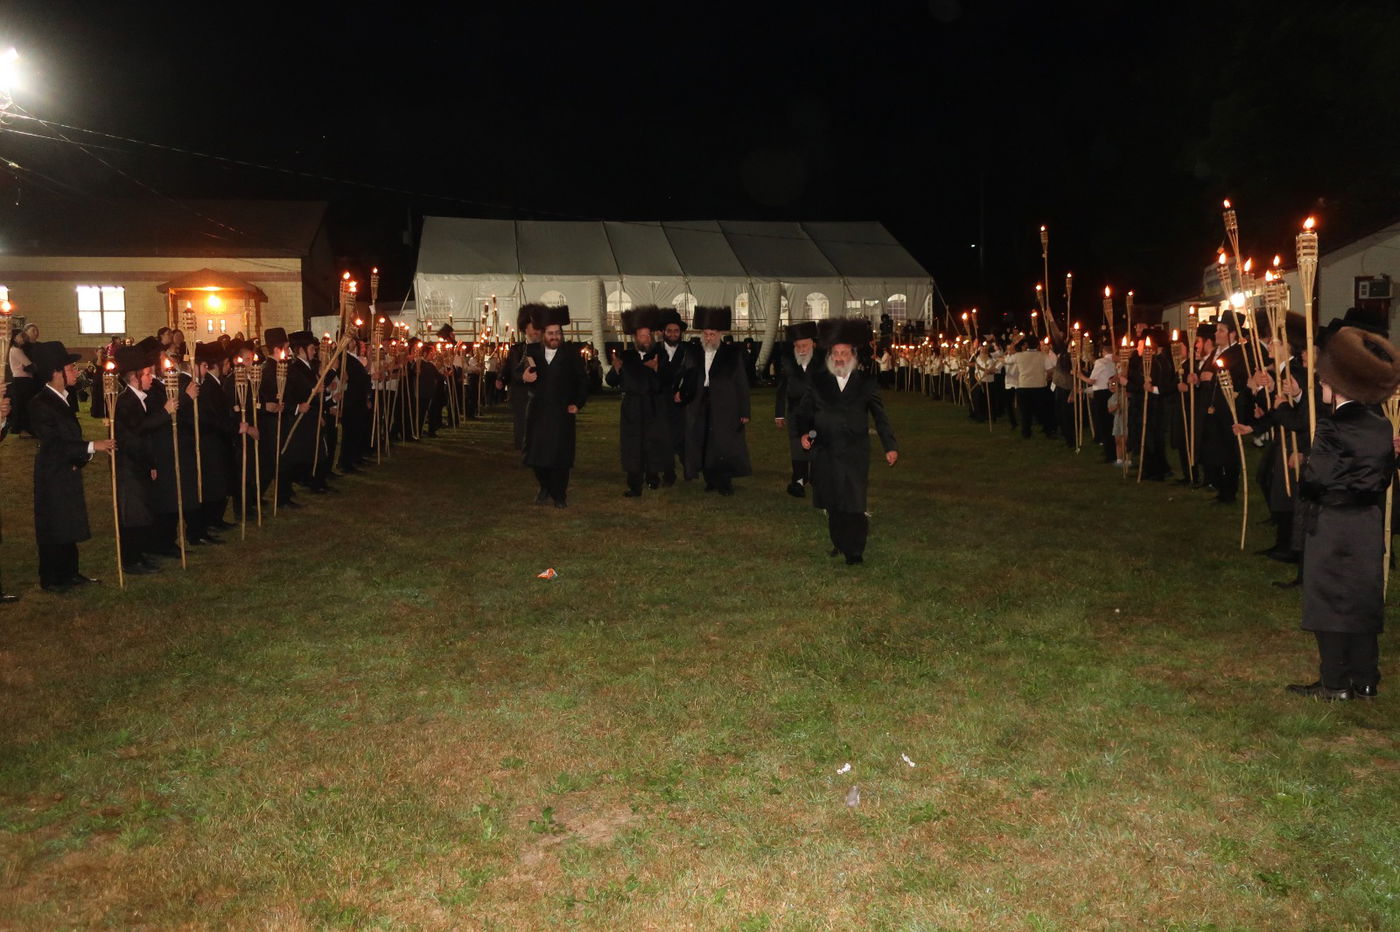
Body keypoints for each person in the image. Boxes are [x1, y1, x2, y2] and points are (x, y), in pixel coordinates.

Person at [1286, 326, 1400, 701]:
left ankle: (1335, 682)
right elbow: (1383, 475)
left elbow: (1315, 479)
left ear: (1337, 386)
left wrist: (1308, 477)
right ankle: (1365, 678)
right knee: (1362, 596)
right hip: (1367, 522)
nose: (1320, 384)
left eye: (1323, 380)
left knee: (1330, 601)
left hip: (1333, 525)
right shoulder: (1382, 425)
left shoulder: (1332, 425)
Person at [793, 318, 898, 565]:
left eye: (844, 353)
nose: (840, 358)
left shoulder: (866, 383)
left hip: (854, 452)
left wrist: (890, 446)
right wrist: (804, 433)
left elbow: (880, 417)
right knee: (832, 501)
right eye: (836, 353)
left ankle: (855, 550)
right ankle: (839, 542)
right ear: (830, 355)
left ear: (853, 355)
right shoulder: (818, 382)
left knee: (854, 502)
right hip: (825, 451)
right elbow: (802, 414)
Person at [27, 341, 116, 592]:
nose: (76, 371)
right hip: (52, 473)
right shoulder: (40, 403)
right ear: (56, 373)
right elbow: (56, 444)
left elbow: (70, 437)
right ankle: (52, 577)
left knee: (67, 522)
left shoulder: (64, 399)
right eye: (70, 368)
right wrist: (92, 446)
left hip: (66, 469)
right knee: (54, 524)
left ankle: (70, 572)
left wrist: (81, 458)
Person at [519, 306, 588, 507]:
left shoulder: (571, 354)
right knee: (536, 456)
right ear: (543, 334)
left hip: (561, 413)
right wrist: (523, 376)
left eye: (558, 333)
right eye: (551, 333)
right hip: (538, 413)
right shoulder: (532, 352)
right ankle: (545, 487)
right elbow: (515, 372)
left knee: (560, 457)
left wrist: (577, 403)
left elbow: (582, 382)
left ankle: (559, 495)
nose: (555, 336)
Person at [682, 306, 751, 495]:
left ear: (719, 335)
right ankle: (710, 479)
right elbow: (686, 377)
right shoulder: (694, 352)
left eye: (712, 334)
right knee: (704, 440)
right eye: (706, 334)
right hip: (700, 402)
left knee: (723, 443)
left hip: (725, 404)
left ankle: (725, 481)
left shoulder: (732, 354)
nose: (709, 338)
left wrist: (744, 411)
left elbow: (741, 383)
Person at [604, 306, 672, 496]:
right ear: (636, 338)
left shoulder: (660, 355)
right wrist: (616, 369)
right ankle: (634, 484)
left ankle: (652, 478)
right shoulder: (626, 357)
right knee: (632, 445)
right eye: (642, 336)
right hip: (632, 408)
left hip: (653, 406)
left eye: (648, 336)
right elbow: (611, 382)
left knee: (652, 442)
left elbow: (668, 381)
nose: (646, 339)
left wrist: (656, 369)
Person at [774, 321, 823, 497]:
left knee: (816, 444)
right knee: (797, 446)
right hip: (794, 412)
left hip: (817, 412)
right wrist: (779, 414)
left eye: (805, 345)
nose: (801, 349)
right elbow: (781, 388)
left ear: (813, 344)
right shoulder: (788, 362)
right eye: (798, 346)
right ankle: (799, 479)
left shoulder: (823, 362)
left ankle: (817, 478)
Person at [657, 309, 693, 485]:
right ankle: (668, 474)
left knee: (683, 438)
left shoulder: (689, 351)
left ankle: (689, 470)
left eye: (676, 331)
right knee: (664, 440)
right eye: (669, 330)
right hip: (661, 403)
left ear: (681, 332)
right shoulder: (655, 351)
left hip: (682, 403)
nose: (672, 334)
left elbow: (693, 375)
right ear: (663, 332)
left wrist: (683, 392)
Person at [501, 306, 542, 447]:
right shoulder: (517, 350)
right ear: (525, 328)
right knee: (522, 423)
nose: (536, 330)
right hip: (521, 394)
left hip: (541, 394)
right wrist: (520, 377)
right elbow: (512, 370)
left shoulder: (548, 348)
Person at [6, 327, 36, 437]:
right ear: (14, 338)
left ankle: (24, 429)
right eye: (20, 336)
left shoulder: (18, 349)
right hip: (22, 381)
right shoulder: (16, 350)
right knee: (23, 406)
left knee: (23, 405)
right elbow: (29, 365)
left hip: (23, 380)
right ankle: (22, 430)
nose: (22, 339)